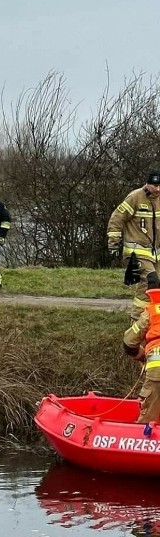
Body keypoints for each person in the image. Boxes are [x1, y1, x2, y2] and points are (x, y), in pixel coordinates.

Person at [108, 171, 160, 320]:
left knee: (156, 286)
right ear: (147, 184)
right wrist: (114, 244)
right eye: (155, 185)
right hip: (136, 252)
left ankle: (152, 321)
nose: (158, 189)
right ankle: (136, 323)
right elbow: (116, 219)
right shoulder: (135, 197)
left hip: (155, 255)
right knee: (149, 281)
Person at [123, 271, 160, 422]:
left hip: (157, 370)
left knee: (149, 416)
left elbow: (129, 342)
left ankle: (145, 441)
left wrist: (141, 354)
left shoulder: (150, 312)